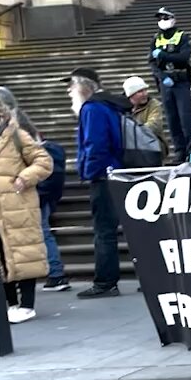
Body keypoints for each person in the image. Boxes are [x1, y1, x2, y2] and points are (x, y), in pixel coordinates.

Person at [0, 90, 54, 323]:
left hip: (17, 205)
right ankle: (10, 304)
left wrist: (25, 177)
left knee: (23, 252)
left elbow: (43, 161)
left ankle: (26, 304)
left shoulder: (16, 134)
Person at [0, 86, 68, 292]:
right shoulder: (20, 121)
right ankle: (50, 274)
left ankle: (54, 273)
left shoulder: (13, 128)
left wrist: (23, 178)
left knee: (37, 231)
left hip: (25, 189)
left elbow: (37, 157)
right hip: (29, 188)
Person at [64, 68, 128, 299]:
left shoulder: (92, 108)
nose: (68, 90)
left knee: (104, 232)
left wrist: (90, 171)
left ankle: (105, 282)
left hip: (103, 176)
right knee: (117, 229)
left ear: (83, 86)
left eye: (71, 85)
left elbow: (95, 144)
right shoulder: (109, 105)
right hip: (115, 172)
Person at [148, 7, 191, 163]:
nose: (162, 21)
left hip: (180, 81)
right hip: (166, 83)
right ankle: (180, 151)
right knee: (172, 119)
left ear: (173, 19)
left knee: (185, 118)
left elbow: (184, 57)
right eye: (160, 19)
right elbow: (153, 63)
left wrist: (165, 55)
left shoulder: (182, 37)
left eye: (165, 18)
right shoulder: (156, 39)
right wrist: (161, 76)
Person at [123, 76, 167, 159]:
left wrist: (132, 133)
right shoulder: (121, 108)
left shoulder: (153, 105)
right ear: (131, 95)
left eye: (145, 90)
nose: (145, 94)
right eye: (140, 91)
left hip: (151, 145)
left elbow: (154, 125)